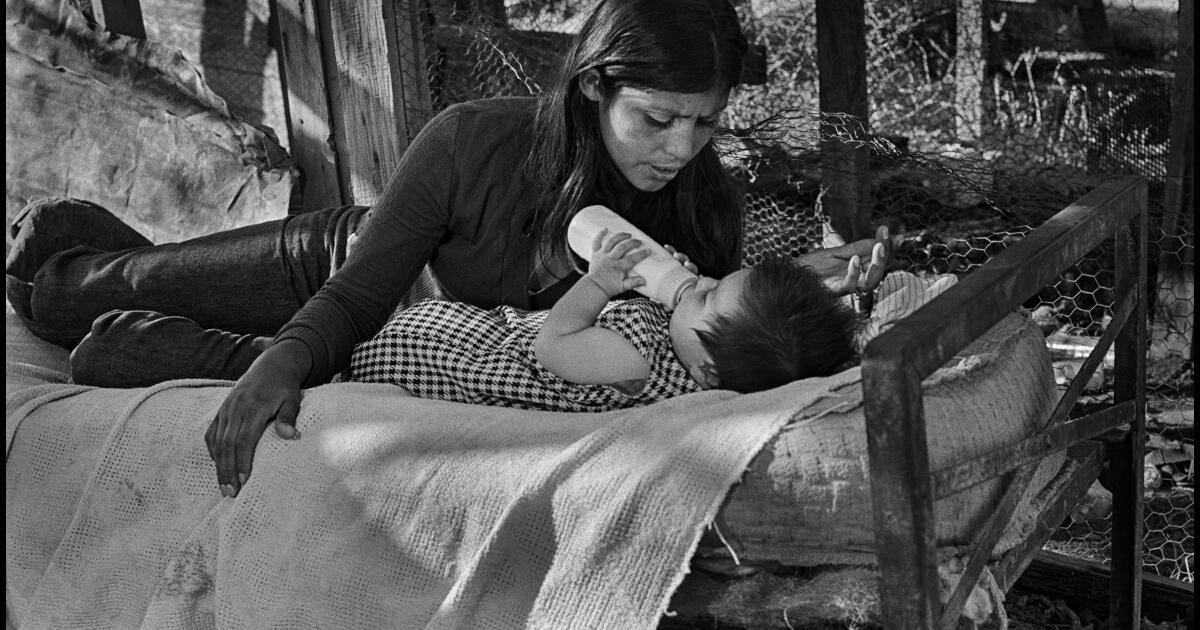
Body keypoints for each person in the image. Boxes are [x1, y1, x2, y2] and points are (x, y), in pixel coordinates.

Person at [4, 0, 889, 498]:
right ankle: (75, 236)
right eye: (658, 120)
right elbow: (358, 296)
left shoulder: (700, 206)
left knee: (103, 337)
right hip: (340, 267)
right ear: (593, 87)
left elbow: (713, 332)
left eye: (704, 124)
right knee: (57, 291)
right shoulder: (473, 140)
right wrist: (285, 358)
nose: (681, 148)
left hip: (410, 353)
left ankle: (145, 299)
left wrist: (798, 288)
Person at [346, 230, 857, 411]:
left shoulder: (635, 363)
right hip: (461, 332)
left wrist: (599, 283)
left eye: (706, 298)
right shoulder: (693, 354)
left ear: (708, 372)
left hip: (428, 360)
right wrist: (664, 280)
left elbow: (552, 345)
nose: (700, 283)